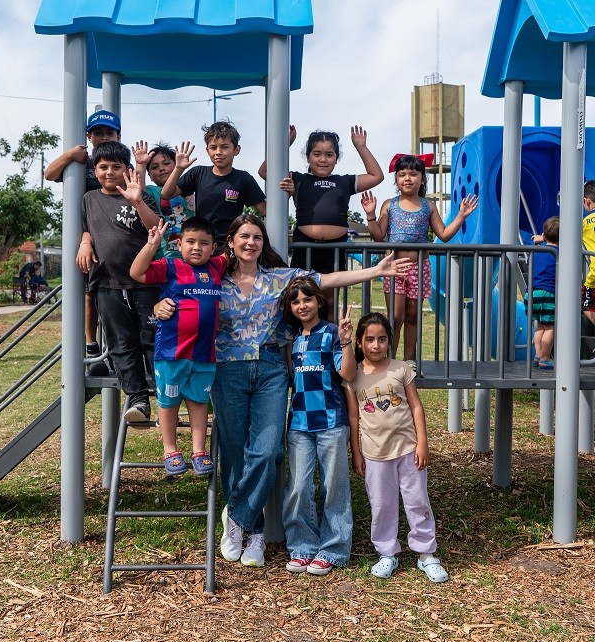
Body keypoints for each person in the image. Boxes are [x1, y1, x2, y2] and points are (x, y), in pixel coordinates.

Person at [155, 213, 411, 569]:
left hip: (272, 371)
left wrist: (374, 271)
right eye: (244, 236)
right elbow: (173, 290)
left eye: (257, 237)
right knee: (233, 452)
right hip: (227, 371)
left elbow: (327, 279)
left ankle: (239, 518)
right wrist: (159, 305)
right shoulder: (214, 278)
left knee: (268, 450)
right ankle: (255, 532)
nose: (250, 242)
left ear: (263, 244)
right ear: (230, 241)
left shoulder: (279, 278)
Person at [345, 312, 448, 583]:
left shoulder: (401, 369)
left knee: (417, 501)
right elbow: (354, 416)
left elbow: (415, 405)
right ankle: (386, 552)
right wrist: (356, 452)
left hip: (407, 449)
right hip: (374, 453)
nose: (376, 345)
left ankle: (426, 553)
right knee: (381, 504)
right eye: (369, 339)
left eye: (382, 339)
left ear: (390, 340)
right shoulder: (353, 375)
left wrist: (422, 442)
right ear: (359, 342)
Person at [129, 216, 227, 476]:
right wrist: (152, 245)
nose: (197, 248)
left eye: (204, 243)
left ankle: (198, 450)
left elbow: (237, 251)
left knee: (198, 401)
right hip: (172, 352)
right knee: (168, 401)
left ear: (214, 247)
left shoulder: (217, 266)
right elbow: (137, 272)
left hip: (204, 354)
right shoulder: (170, 266)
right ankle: (170, 449)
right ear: (179, 243)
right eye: (191, 241)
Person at [361, 153, 478, 367]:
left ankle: (408, 361)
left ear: (422, 178)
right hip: (394, 268)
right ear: (396, 179)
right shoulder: (390, 204)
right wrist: (370, 215)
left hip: (419, 267)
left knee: (413, 315)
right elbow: (378, 235)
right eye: (402, 174)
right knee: (395, 317)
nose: (407, 178)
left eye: (413, 174)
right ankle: (389, 360)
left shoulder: (428, 205)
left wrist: (461, 216)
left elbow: (443, 234)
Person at [259, 126, 384, 318]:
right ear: (308, 156)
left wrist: (361, 147)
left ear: (336, 157)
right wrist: (285, 144)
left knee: (330, 301)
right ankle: (300, 344)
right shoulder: (297, 179)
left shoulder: (345, 181)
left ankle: (330, 344)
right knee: (301, 299)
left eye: (329, 154)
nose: (323, 159)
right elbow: (264, 171)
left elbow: (377, 176)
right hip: (305, 248)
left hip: (334, 251)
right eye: (317, 154)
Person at [76, 141, 162, 422]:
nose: (109, 172)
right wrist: (85, 241)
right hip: (108, 285)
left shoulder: (140, 194)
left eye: (116, 166)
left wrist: (137, 200)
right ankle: (138, 400)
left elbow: (154, 228)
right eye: (103, 167)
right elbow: (87, 228)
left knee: (151, 339)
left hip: (144, 283)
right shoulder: (89, 199)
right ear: (95, 170)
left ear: (127, 170)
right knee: (121, 344)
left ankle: (163, 392)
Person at [282, 277, 355, 575]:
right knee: (298, 486)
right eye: (296, 301)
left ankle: (334, 549)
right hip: (299, 422)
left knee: (333, 486)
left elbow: (347, 373)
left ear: (319, 302)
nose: (302, 305)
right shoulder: (292, 339)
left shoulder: (332, 333)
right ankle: (302, 546)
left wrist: (348, 341)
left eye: (307, 299)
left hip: (330, 422)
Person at [45, 109, 122, 371]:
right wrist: (69, 155)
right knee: (90, 293)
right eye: (98, 132)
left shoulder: (122, 164)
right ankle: (92, 346)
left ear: (118, 136)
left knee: (115, 296)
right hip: (86, 237)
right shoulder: (83, 163)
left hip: (115, 235)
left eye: (108, 132)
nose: (103, 137)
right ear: (88, 136)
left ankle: (116, 348)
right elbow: (50, 174)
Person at [160, 121, 266, 251]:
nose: (218, 152)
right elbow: (166, 194)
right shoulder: (198, 173)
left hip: (230, 248)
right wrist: (178, 168)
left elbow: (266, 210)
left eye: (225, 147)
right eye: (213, 147)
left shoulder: (243, 179)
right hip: (202, 247)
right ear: (207, 150)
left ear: (236, 150)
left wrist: (285, 193)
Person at [132, 141, 195, 258]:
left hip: (192, 256)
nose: (161, 168)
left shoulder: (190, 191)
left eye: (166, 163)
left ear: (177, 164)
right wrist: (141, 164)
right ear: (149, 175)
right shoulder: (152, 191)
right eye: (154, 167)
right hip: (163, 257)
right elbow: (138, 191)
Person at [527, 216, 559, 369]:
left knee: (540, 324)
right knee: (551, 327)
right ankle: (546, 357)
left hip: (531, 294)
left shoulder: (535, 252)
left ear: (544, 236)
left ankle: (538, 355)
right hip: (547, 293)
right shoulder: (559, 254)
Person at [582, 181, 595, 327]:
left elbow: (565, 236)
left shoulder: (585, 222)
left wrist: (544, 237)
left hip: (594, 275)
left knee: (582, 303)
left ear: (587, 201)